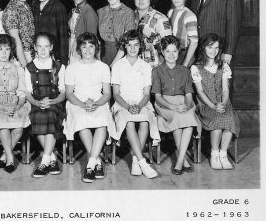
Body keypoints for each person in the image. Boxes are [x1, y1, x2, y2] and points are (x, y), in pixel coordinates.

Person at [63, 32, 118, 183]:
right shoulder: (72, 68)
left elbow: (107, 93)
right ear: (79, 49)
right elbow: (69, 93)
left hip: (98, 102)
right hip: (77, 102)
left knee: (102, 120)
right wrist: (82, 105)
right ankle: (97, 162)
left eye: (91, 46)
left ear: (96, 48)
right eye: (84, 46)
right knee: (81, 119)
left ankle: (90, 165)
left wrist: (96, 104)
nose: (88, 50)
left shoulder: (103, 67)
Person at [111, 30, 159, 179]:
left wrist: (138, 106)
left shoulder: (145, 66)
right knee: (130, 121)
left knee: (144, 121)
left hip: (141, 103)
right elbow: (116, 94)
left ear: (141, 46)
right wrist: (127, 107)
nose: (132, 49)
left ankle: (135, 159)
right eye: (129, 45)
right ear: (124, 46)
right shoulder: (118, 66)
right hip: (122, 104)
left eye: (136, 45)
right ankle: (142, 162)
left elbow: (146, 94)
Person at [151, 35, 201, 175]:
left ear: (179, 52)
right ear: (162, 52)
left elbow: (189, 95)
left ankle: (180, 160)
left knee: (189, 118)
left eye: (174, 51)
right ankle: (182, 161)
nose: (171, 55)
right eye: (168, 51)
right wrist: (172, 107)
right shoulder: (157, 71)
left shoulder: (185, 71)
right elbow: (158, 97)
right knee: (179, 118)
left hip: (183, 102)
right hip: (165, 105)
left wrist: (187, 105)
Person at [0, 34, 31, 174]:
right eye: (0, 49)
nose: (4, 53)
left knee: (18, 128)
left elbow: (22, 94)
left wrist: (17, 106)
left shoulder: (19, 70)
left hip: (16, 103)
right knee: (2, 124)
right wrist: (0, 107)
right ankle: (10, 158)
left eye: (7, 49)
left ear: (11, 51)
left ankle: (4, 155)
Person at [190, 33, 240, 170]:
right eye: (210, 47)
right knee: (217, 120)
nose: (213, 51)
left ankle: (223, 154)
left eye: (217, 48)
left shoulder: (223, 66)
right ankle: (215, 154)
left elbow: (225, 89)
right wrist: (213, 105)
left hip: (223, 103)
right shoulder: (196, 68)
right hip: (206, 104)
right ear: (203, 48)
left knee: (230, 119)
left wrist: (223, 104)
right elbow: (199, 92)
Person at [25, 33, 66, 178]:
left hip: (55, 103)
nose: (43, 50)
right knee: (37, 117)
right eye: (40, 47)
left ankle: (44, 161)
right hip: (37, 103)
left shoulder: (59, 67)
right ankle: (52, 159)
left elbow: (63, 92)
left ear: (51, 47)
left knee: (50, 115)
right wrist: (37, 103)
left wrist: (53, 102)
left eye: (46, 46)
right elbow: (27, 93)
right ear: (35, 48)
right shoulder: (29, 67)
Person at [110, 0, 172, 68]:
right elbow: (124, 43)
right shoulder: (129, 15)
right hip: (131, 65)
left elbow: (169, 46)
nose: (141, 0)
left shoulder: (160, 18)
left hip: (153, 66)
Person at [97, 0, 135, 66]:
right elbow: (97, 39)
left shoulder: (128, 13)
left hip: (121, 55)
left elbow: (128, 41)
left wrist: (113, 64)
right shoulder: (100, 12)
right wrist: (99, 61)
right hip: (103, 54)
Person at [31, 0, 69, 65]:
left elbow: (63, 36)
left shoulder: (58, 7)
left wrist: (63, 61)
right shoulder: (33, 6)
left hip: (53, 56)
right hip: (37, 55)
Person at [2, 0, 35, 68]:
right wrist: (25, 65)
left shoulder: (26, 6)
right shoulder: (12, 10)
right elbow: (15, 40)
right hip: (20, 57)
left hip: (30, 53)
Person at [167, 0, 198, 66]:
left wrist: (185, 63)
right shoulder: (170, 12)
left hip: (184, 53)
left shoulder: (189, 16)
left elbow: (194, 42)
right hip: (172, 51)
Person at [67, 0, 98, 64]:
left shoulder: (89, 13)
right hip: (72, 49)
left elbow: (92, 40)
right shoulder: (74, 10)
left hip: (82, 53)